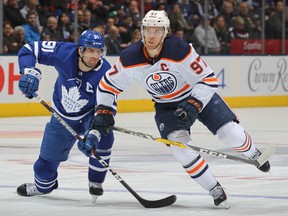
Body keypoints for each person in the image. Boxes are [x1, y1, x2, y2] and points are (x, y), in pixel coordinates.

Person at [78, 10, 271, 208]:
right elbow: (106, 87)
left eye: (157, 30)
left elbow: (208, 79)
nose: (151, 35)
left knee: (230, 134)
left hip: (196, 95)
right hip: (166, 107)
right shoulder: (129, 57)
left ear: (166, 32)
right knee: (181, 150)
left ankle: (253, 153)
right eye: (148, 30)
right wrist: (103, 112)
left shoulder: (179, 49)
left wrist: (194, 104)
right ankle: (214, 188)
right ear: (142, 31)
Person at [16, 30, 115, 203]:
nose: (96, 55)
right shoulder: (63, 52)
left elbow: (107, 109)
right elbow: (28, 49)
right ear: (80, 50)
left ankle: (95, 182)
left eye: (99, 51)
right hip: (62, 114)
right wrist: (29, 71)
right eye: (91, 50)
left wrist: (95, 133)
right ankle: (43, 187)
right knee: (44, 164)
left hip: (89, 115)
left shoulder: (105, 73)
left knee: (104, 137)